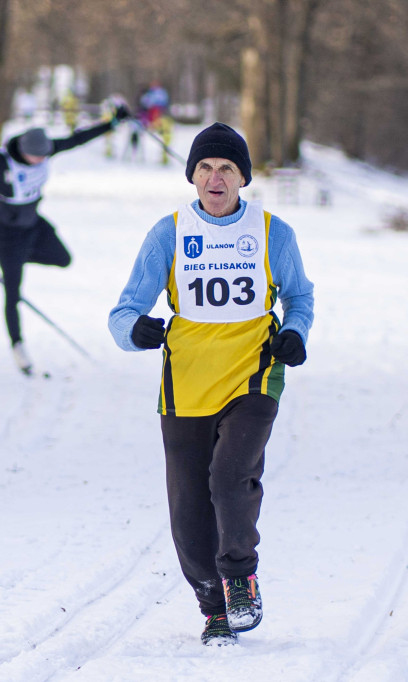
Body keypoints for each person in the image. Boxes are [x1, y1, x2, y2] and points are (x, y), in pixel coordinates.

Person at [108, 123, 315, 646]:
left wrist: (294, 333)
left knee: (230, 476)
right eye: (205, 168)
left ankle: (241, 576)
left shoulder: (273, 232)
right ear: (192, 177)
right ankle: (213, 605)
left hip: (254, 374)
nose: (215, 178)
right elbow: (125, 309)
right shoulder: (169, 233)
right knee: (189, 509)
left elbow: (299, 297)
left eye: (226, 169)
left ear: (243, 178)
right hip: (186, 383)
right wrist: (134, 331)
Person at [0, 107, 130, 374]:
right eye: (36, 157)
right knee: (13, 292)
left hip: (34, 224)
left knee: (63, 259)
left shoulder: (45, 148)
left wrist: (111, 122)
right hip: (7, 232)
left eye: (43, 156)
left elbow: (77, 139)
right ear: (23, 150)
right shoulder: (0, 162)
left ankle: (9, 261)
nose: (40, 160)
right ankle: (18, 345)